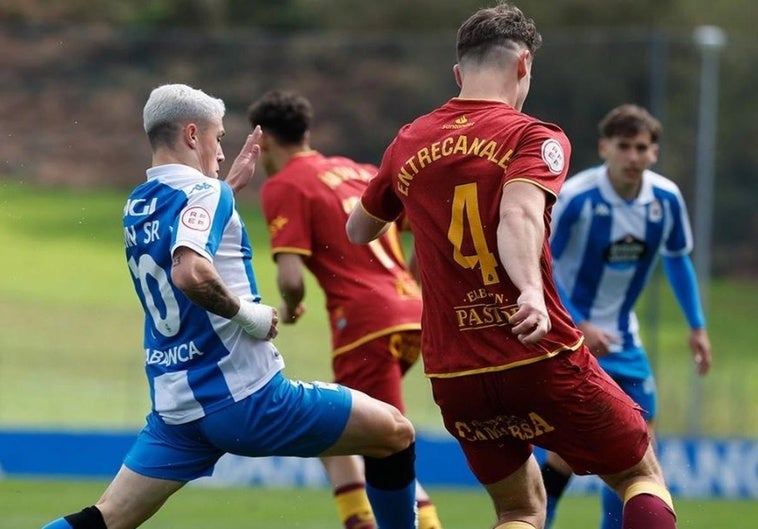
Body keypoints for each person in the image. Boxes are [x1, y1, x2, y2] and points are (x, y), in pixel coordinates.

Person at [346, 3, 679, 529]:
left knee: (520, 509)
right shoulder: (533, 136)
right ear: (523, 65)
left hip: (454, 370)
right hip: (535, 349)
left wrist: (414, 198)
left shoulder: (408, 141)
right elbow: (519, 213)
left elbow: (357, 230)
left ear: (458, 73)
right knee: (640, 473)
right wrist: (527, 290)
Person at [41, 83, 419, 529]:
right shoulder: (208, 195)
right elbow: (190, 272)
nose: (222, 153)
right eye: (219, 138)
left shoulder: (137, 203)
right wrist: (251, 315)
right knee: (396, 433)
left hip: (177, 411)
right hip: (249, 401)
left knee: (105, 519)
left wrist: (223, 191)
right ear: (191, 135)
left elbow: (186, 226)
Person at [246, 89, 443, 529]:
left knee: (385, 444)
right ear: (307, 131)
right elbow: (429, 227)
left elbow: (291, 277)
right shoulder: (357, 171)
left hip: (365, 325)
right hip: (412, 315)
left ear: (264, 142)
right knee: (334, 436)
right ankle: (364, 521)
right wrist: (410, 282)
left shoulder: (285, 184)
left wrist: (290, 307)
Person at [541, 103, 713, 529]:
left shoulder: (666, 199)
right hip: (571, 336)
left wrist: (697, 326)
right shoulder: (577, 198)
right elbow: (540, 263)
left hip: (625, 341)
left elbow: (677, 261)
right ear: (605, 148)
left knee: (636, 447)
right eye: (624, 147)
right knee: (566, 450)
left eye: (643, 148)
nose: (634, 157)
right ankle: (535, 519)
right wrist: (578, 321)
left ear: (654, 152)